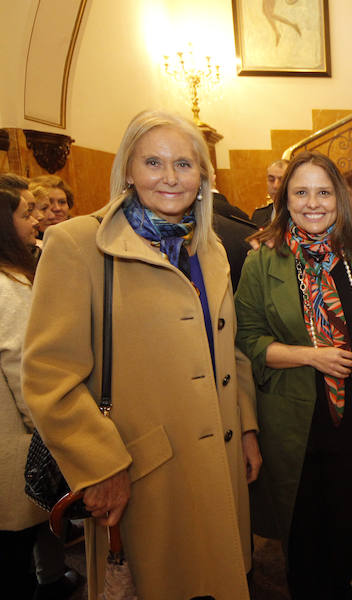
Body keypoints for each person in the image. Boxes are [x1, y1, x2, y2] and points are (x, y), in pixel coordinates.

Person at [23, 109, 261, 600]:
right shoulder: (79, 245)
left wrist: (247, 429)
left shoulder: (209, 248)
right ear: (128, 170)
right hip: (141, 474)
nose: (170, 178)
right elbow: (49, 377)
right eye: (153, 162)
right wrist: (101, 468)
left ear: (202, 176)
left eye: (184, 164)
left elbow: (230, 351)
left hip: (220, 463)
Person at [234, 151, 352, 599]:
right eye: (301, 192)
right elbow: (247, 341)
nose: (313, 203)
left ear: (340, 198)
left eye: (323, 192)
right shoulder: (262, 262)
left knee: (344, 532)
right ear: (285, 199)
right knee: (302, 541)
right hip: (292, 427)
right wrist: (310, 356)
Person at [0, 187, 46, 599]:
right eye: (26, 213)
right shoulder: (9, 287)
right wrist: (48, 427)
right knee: (13, 557)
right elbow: (24, 371)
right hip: (12, 441)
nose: (35, 221)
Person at [251, 159, 288, 227]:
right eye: (271, 180)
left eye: (282, 180)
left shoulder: (300, 216)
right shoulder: (259, 216)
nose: (275, 186)